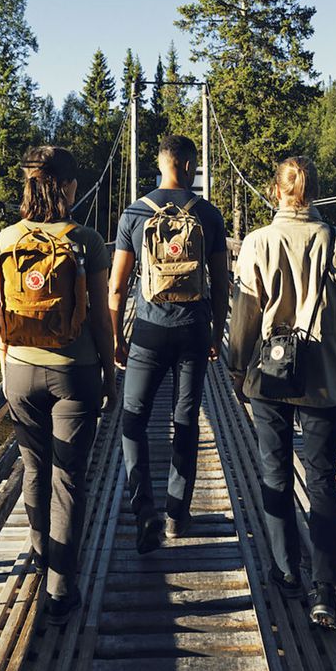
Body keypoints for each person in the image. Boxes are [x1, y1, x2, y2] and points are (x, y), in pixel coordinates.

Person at [228, 156, 336, 629]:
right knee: (323, 480)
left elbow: (245, 317)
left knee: (274, 473)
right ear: (315, 191)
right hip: (327, 380)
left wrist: (236, 368)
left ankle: (287, 572)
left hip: (270, 378)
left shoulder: (257, 243)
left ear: (276, 191)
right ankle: (326, 589)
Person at [0, 145, 116, 625]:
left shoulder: (6, 238)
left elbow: (1, 308)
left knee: (34, 469)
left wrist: (7, 368)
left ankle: (43, 555)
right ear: (68, 186)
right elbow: (103, 320)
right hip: (74, 371)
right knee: (69, 478)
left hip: (20, 370)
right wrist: (109, 371)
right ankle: (61, 590)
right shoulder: (86, 238)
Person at [109, 135, 229, 553]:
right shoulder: (209, 215)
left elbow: (117, 286)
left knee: (133, 420)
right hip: (194, 330)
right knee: (186, 421)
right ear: (192, 166)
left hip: (148, 331)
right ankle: (177, 514)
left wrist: (114, 339)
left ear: (160, 165)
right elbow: (222, 283)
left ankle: (144, 513)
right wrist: (217, 332)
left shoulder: (135, 213)